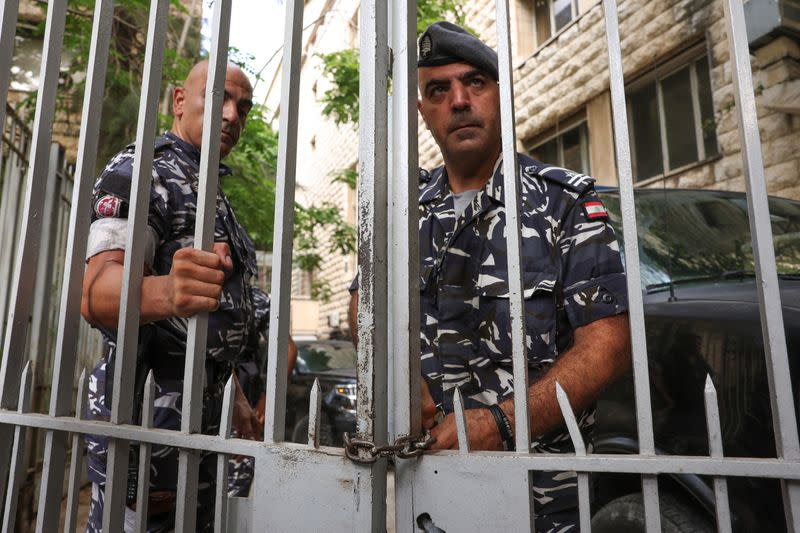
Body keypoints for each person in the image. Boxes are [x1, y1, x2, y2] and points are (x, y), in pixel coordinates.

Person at [350, 21, 631, 530]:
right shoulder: (401, 212)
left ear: (500, 95)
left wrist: (500, 423)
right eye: (439, 90)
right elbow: (361, 306)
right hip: (423, 491)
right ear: (423, 112)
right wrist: (397, 379)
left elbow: (607, 347)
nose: (459, 100)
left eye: (475, 82)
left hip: (541, 496)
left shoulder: (562, 203)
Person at [81, 60, 296, 532]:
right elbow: (96, 293)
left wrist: (233, 393)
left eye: (243, 106)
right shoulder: (142, 170)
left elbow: (204, 329)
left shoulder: (211, 190)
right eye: (219, 97)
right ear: (180, 101)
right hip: (148, 429)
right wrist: (167, 291)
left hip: (202, 427)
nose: (231, 115)